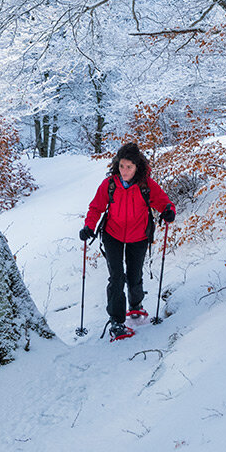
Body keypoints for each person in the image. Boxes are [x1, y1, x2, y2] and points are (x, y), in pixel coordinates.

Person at [78, 143, 174, 340]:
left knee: (134, 274)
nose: (124, 171)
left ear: (137, 166)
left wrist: (168, 211)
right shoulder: (110, 184)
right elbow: (96, 207)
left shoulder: (146, 185)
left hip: (139, 235)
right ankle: (116, 321)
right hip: (112, 235)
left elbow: (163, 202)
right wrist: (89, 226)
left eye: (129, 167)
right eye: (121, 166)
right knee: (116, 277)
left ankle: (136, 305)